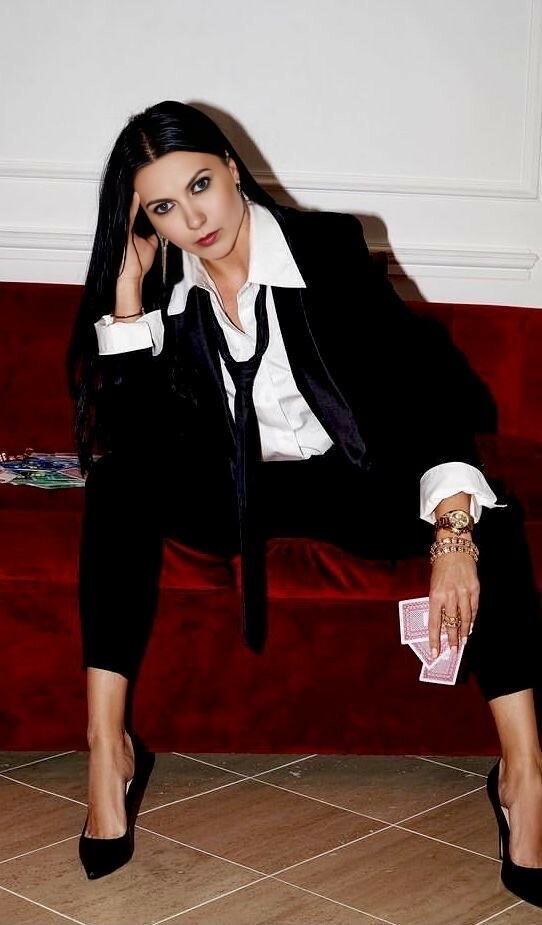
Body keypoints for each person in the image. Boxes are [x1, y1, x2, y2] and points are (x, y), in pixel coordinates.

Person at [68, 100, 542, 901]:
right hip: (232, 485)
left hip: (348, 471)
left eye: (201, 185)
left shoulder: (326, 248)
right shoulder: (166, 288)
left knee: (484, 510)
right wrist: (126, 296)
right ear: (145, 221)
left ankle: (524, 772)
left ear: (230, 167)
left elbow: (423, 382)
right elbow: (136, 443)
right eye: (164, 208)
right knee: (118, 481)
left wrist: (452, 532)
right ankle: (105, 745)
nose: (194, 219)